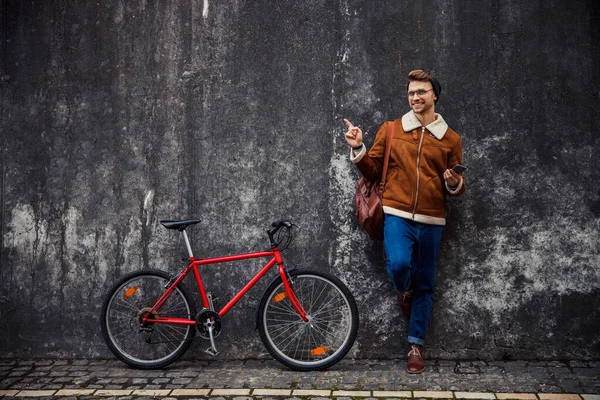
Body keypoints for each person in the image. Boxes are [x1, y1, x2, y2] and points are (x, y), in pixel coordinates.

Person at [344, 69, 466, 374]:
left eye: (421, 92)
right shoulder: (392, 129)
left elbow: (459, 187)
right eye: (411, 93)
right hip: (396, 213)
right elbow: (372, 170)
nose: (416, 97)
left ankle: (415, 346)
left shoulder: (450, 139)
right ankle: (404, 290)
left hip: (433, 219)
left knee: (427, 282)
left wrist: (453, 182)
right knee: (399, 265)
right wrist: (358, 147)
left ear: (434, 95)